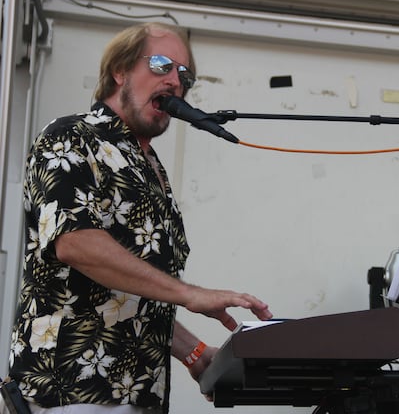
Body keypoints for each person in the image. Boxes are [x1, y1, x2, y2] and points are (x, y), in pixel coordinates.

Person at [3, 22, 272, 413]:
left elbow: (126, 297)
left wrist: (194, 354)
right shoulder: (71, 136)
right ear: (120, 70)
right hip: (69, 388)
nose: (175, 81)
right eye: (162, 65)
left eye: (184, 75)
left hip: (137, 393)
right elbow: (76, 243)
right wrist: (191, 294)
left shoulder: (150, 167)